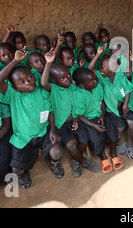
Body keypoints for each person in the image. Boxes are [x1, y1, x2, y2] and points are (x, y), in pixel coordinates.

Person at [0, 48, 60, 188]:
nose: (28, 82)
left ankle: (55, 163)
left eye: (29, 77)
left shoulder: (42, 92)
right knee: (16, 169)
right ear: (15, 87)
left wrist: (52, 130)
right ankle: (24, 173)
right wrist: (15, 60)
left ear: (34, 76)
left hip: (43, 133)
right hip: (23, 138)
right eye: (21, 82)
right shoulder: (14, 95)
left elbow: (50, 112)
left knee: (57, 152)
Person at [41, 49, 100, 177]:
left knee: (84, 140)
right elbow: (44, 82)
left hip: (75, 121)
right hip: (61, 125)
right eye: (62, 78)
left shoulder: (74, 87)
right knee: (71, 145)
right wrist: (48, 63)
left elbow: (77, 105)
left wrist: (75, 119)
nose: (67, 79)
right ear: (55, 81)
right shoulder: (53, 89)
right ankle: (84, 161)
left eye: (68, 76)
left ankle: (75, 160)